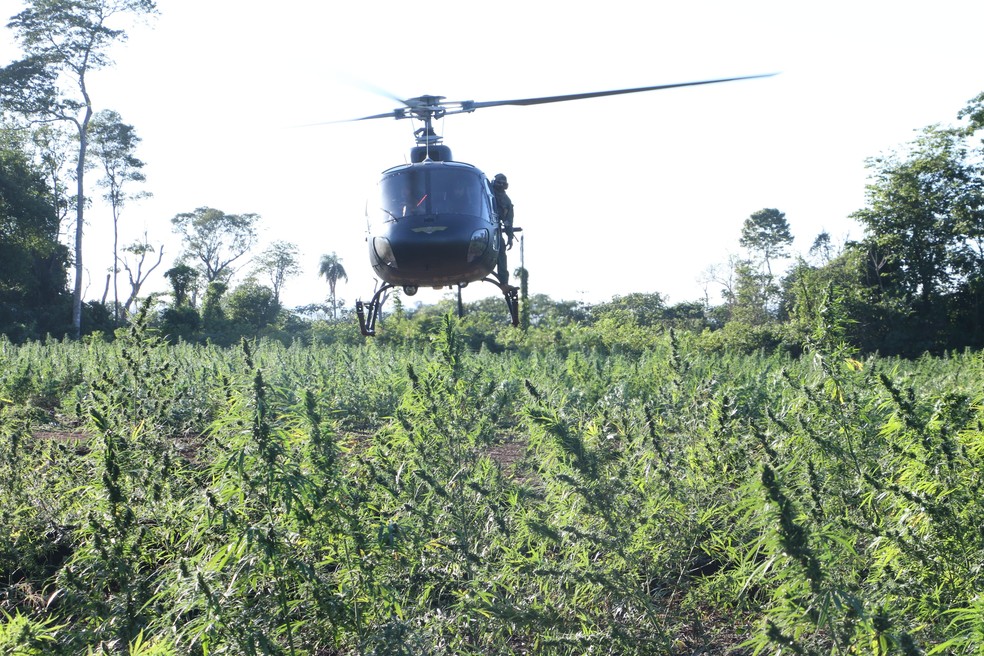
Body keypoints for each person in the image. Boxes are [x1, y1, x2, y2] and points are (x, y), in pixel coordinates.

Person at [492, 173, 515, 286]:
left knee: (501, 249)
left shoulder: (506, 201)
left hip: (494, 229)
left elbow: (508, 221)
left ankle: (504, 281)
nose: (500, 185)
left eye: (503, 183)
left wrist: (510, 238)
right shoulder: (486, 192)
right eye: (498, 183)